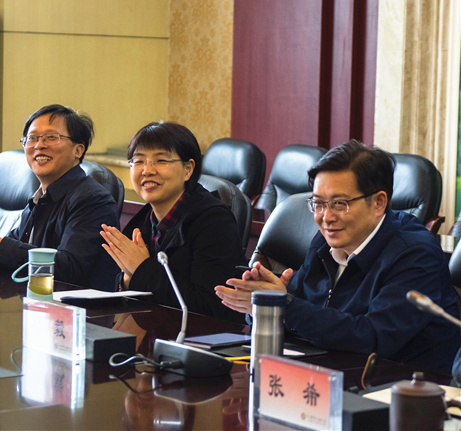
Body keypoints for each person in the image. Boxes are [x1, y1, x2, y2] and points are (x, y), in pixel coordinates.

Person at [216, 140, 460, 373]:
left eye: (340, 204)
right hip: (329, 372)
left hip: (402, 386)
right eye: (319, 204)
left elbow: (373, 337)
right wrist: (264, 302)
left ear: (378, 203)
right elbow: (298, 310)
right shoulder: (326, 240)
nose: (326, 217)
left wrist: (284, 305)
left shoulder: (416, 254)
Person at [0, 104, 120, 291]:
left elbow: (70, 269)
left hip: (76, 307)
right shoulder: (39, 198)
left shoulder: (92, 200)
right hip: (35, 301)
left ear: (78, 150)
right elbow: (14, 254)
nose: (39, 145)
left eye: (52, 137)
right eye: (32, 138)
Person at [100, 122, 246, 321]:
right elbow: (124, 285)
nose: (147, 170)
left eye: (161, 160)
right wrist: (127, 279)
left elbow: (210, 306)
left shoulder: (214, 221)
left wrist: (141, 269)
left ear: (188, 169)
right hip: (154, 328)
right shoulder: (143, 220)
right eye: (139, 161)